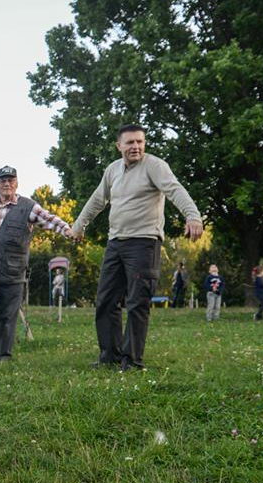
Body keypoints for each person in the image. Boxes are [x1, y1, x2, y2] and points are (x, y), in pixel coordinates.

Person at [69, 124, 203, 371]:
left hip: (144, 242)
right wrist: (78, 226)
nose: (136, 147)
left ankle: (131, 361)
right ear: (119, 145)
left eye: (140, 142)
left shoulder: (154, 166)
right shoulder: (112, 170)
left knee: (137, 302)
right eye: (130, 142)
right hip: (115, 242)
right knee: (106, 300)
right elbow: (98, 199)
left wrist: (193, 216)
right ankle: (109, 356)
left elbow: (175, 190)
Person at [0, 166, 73, 361]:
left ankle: (3, 355)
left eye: (10, 180)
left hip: (13, 270)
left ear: (17, 183)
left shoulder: (28, 207)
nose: (7, 184)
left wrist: (67, 230)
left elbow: (49, 219)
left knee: (8, 313)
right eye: (2, 181)